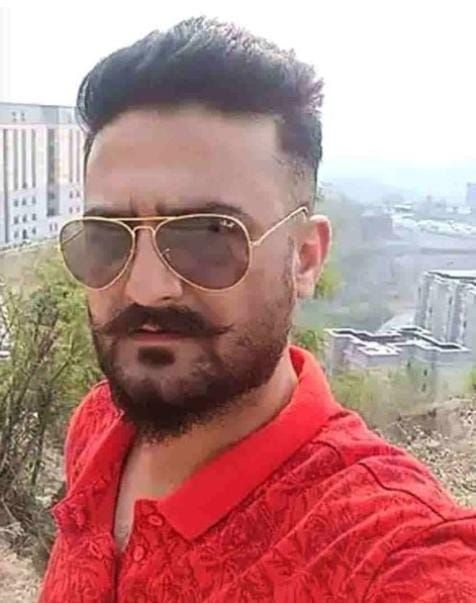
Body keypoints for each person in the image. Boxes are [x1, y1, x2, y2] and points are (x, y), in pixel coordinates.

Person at [39, 17, 475, 602]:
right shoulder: (100, 426)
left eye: (210, 236)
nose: (145, 288)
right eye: (107, 237)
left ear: (305, 258)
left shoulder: (386, 556)